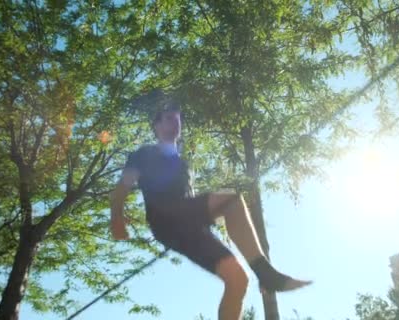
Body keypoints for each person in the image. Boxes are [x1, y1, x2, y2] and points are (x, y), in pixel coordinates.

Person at [109, 98, 311, 320]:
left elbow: (193, 204)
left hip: (188, 227)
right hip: (165, 220)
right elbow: (120, 190)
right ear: (156, 126)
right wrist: (116, 218)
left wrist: (213, 234)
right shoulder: (144, 154)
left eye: (178, 120)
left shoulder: (182, 164)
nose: (175, 123)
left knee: (238, 280)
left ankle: (262, 274)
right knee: (232, 199)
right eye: (169, 119)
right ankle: (265, 273)